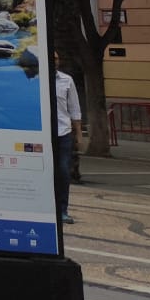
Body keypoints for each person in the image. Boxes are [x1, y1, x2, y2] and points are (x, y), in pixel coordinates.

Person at [52, 53, 83, 224]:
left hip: (63, 132)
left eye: (56, 58)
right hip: (44, 134)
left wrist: (78, 134)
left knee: (63, 170)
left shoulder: (66, 80)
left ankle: (62, 209)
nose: (54, 61)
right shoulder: (36, 79)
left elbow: (74, 108)